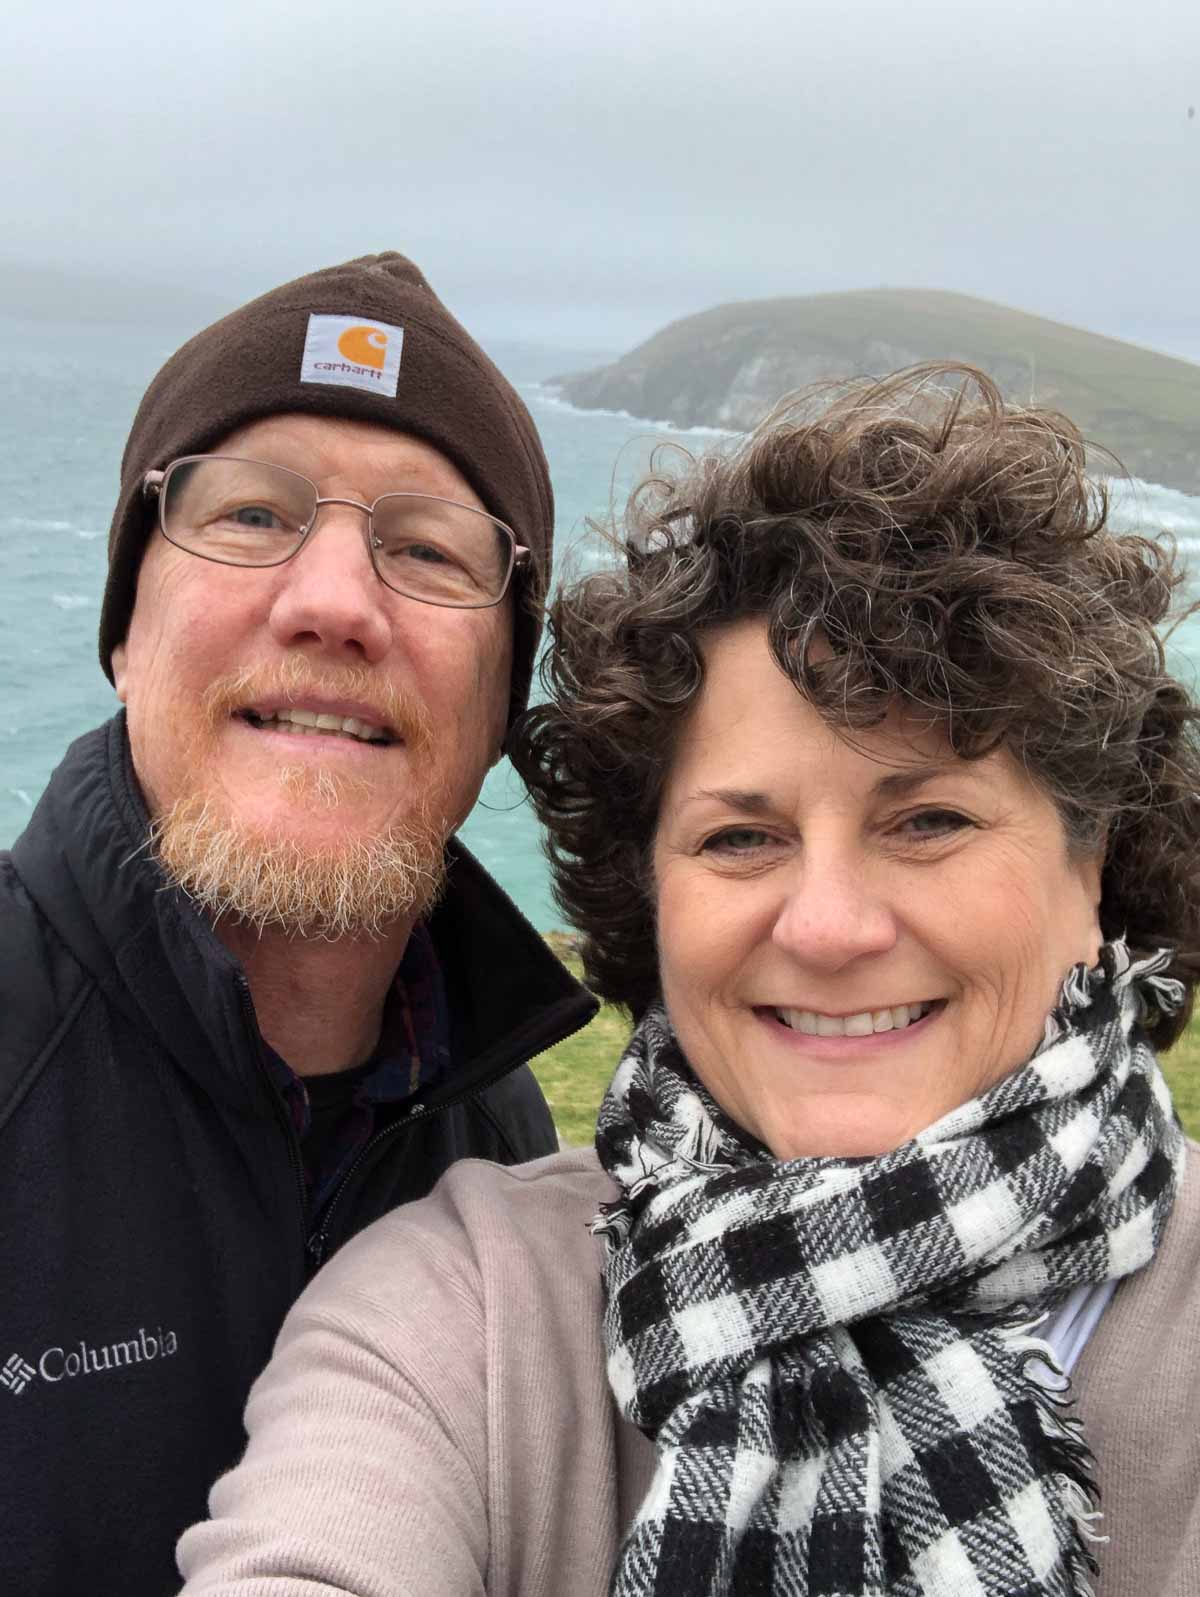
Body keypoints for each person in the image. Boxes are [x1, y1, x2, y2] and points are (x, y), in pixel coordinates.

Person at [176, 365, 1200, 1597]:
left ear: (1095, 860)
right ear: (649, 894)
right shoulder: (470, 1308)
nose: (826, 926)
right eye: (739, 837)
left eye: (928, 819)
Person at [0, 252, 597, 1595]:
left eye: (429, 548)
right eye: (252, 516)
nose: (331, 601)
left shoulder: (503, 1156)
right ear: (123, 631)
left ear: (502, 702)